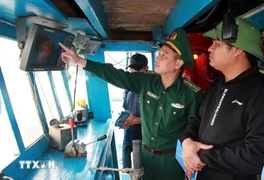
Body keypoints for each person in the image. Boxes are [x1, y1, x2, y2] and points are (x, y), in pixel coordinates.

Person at [59, 27, 202, 180]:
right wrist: (80, 61)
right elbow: (115, 75)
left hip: (172, 161)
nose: (158, 58)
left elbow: (196, 128)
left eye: (164, 55)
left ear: (178, 63)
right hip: (146, 157)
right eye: (159, 53)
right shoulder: (145, 82)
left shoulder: (192, 94)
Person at [179, 18, 264, 180]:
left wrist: (200, 156)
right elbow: (195, 122)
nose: (210, 49)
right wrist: (186, 142)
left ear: (237, 50)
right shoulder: (216, 86)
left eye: (217, 44)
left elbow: (255, 156)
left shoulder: (262, 91)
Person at [121, 54, 148, 169]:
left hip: (145, 130)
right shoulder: (128, 86)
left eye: (139, 69)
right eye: (133, 69)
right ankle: (127, 171)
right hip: (130, 128)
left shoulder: (151, 87)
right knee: (126, 148)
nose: (135, 72)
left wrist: (136, 120)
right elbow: (126, 107)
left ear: (146, 69)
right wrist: (125, 119)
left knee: (143, 158)